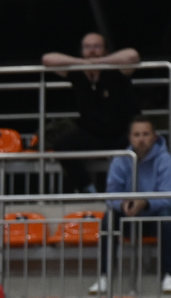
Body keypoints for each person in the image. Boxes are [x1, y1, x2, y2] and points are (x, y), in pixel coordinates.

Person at [42, 32, 141, 193]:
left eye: (97, 46)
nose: (92, 50)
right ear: (81, 51)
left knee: (144, 141)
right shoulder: (77, 71)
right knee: (62, 145)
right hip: (92, 133)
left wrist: (99, 63)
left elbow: (132, 55)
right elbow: (48, 59)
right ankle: (87, 189)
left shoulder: (117, 69)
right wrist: (83, 64)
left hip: (122, 133)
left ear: (106, 50)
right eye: (87, 47)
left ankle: (134, 191)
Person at [90, 116, 171, 295]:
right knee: (109, 218)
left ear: (154, 136)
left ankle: (168, 275)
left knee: (168, 216)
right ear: (130, 137)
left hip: (154, 217)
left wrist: (145, 203)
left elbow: (168, 195)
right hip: (127, 217)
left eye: (146, 134)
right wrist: (122, 204)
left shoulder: (165, 160)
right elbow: (111, 194)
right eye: (137, 135)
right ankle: (104, 276)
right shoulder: (121, 160)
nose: (141, 139)